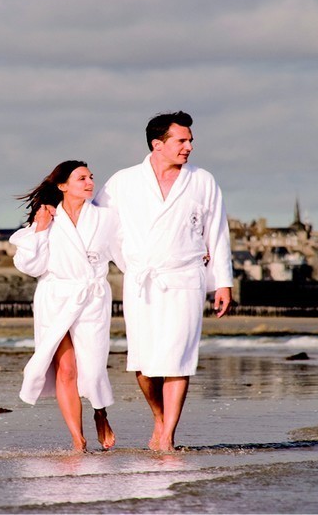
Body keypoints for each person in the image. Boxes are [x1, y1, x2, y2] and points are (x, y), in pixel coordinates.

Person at [94, 111, 233, 451]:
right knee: (143, 363)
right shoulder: (123, 182)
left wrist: (223, 282)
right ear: (158, 144)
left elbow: (217, 232)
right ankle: (158, 417)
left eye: (190, 141)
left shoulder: (202, 181)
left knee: (178, 358)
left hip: (185, 277)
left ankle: (168, 434)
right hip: (142, 279)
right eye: (181, 141)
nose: (189, 147)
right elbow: (97, 223)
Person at [10, 160, 125, 452]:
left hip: (92, 297)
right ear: (62, 186)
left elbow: (126, 253)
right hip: (55, 296)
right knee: (66, 368)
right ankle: (78, 440)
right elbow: (30, 265)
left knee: (94, 368)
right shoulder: (48, 218)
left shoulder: (106, 218)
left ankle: (100, 412)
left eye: (91, 177)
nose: (89, 182)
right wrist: (39, 229)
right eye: (81, 178)